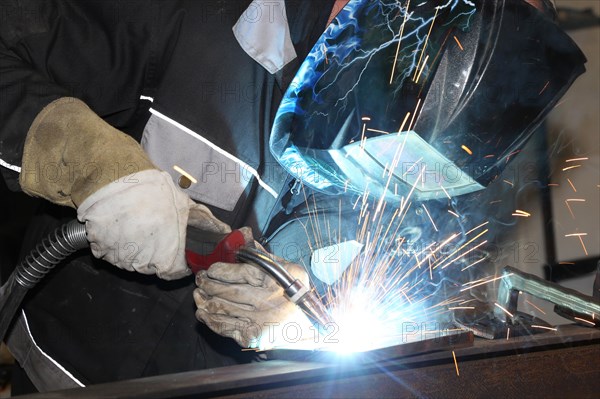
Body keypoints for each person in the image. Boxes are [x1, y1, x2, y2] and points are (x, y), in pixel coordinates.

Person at [0, 0, 584, 393]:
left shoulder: (408, 141)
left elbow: (361, 272)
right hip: (64, 368)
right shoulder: (191, 16)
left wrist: (295, 310)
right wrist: (91, 167)